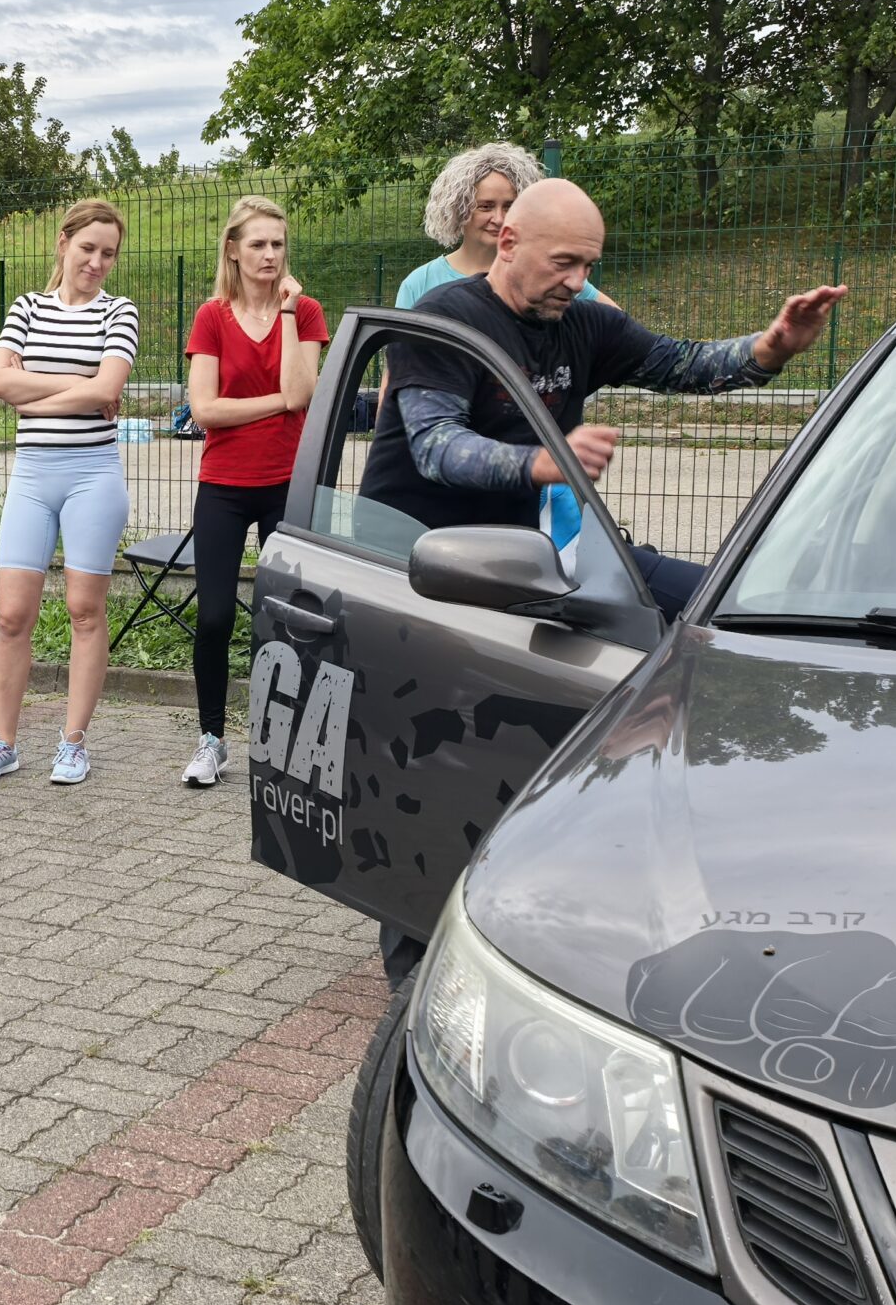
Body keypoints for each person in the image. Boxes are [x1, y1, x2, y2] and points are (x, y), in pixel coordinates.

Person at [361, 176, 845, 985]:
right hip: (426, 569)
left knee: (717, 606)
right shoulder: (445, 320)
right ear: (507, 243)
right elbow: (436, 445)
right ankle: (415, 969)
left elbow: (682, 364)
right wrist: (537, 461)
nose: (578, 282)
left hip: (531, 558)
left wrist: (771, 349)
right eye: (564, 263)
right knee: (436, 767)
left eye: (588, 265)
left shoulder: (579, 321)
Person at [0, 200, 139, 787]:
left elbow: (108, 389)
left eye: (108, 253)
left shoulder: (121, 312)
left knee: (85, 612)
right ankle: (3, 743)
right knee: (13, 615)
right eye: (87, 248)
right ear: (63, 243)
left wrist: (35, 392)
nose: (96, 262)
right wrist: (80, 385)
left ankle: (72, 743)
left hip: (93, 474)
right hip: (33, 475)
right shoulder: (26, 308)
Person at [396, 143, 615, 551]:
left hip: (535, 467)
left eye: (510, 205)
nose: (498, 218)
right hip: (454, 469)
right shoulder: (421, 285)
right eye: (485, 206)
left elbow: (611, 328)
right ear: (459, 209)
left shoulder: (542, 273)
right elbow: (399, 381)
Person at [179, 196, 324, 788]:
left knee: (287, 622)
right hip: (224, 485)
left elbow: (305, 390)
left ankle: (284, 742)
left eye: (278, 243)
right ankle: (211, 739)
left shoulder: (306, 311)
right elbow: (204, 409)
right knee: (214, 616)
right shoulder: (212, 316)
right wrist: (274, 406)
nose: (270, 254)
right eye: (258, 244)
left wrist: (288, 313)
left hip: (288, 483)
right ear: (233, 250)